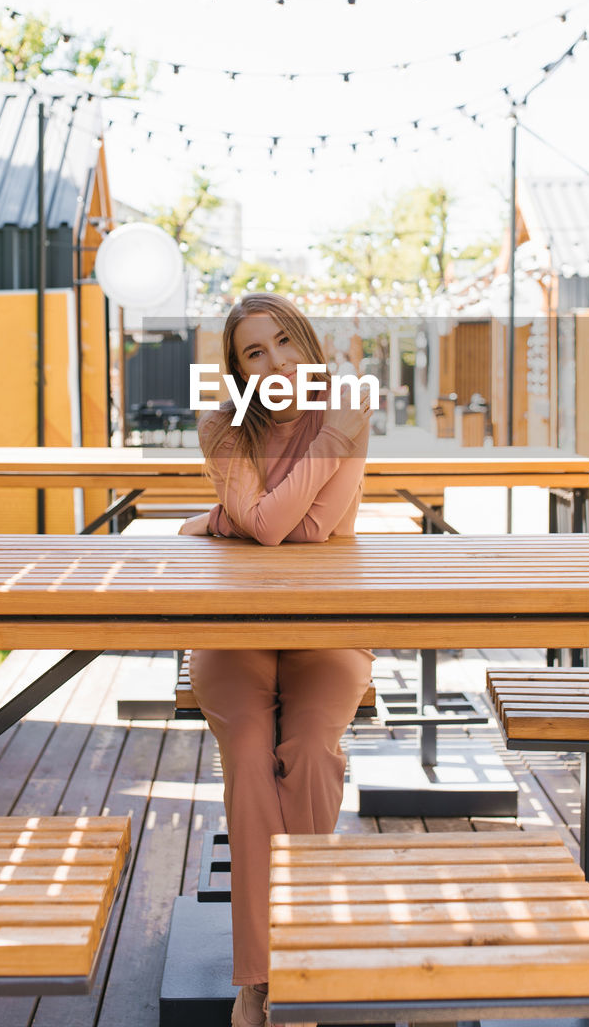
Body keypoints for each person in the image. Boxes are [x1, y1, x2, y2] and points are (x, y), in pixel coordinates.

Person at [178, 293, 373, 1027]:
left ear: (307, 341)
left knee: (313, 752)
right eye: (254, 353)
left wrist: (218, 521)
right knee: (253, 754)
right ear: (237, 371)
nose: (276, 363)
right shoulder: (221, 428)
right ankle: (261, 977)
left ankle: (302, 955)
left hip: (329, 627)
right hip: (234, 630)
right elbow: (271, 530)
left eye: (284, 342)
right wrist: (252, 518)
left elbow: (311, 528)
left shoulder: (345, 411)